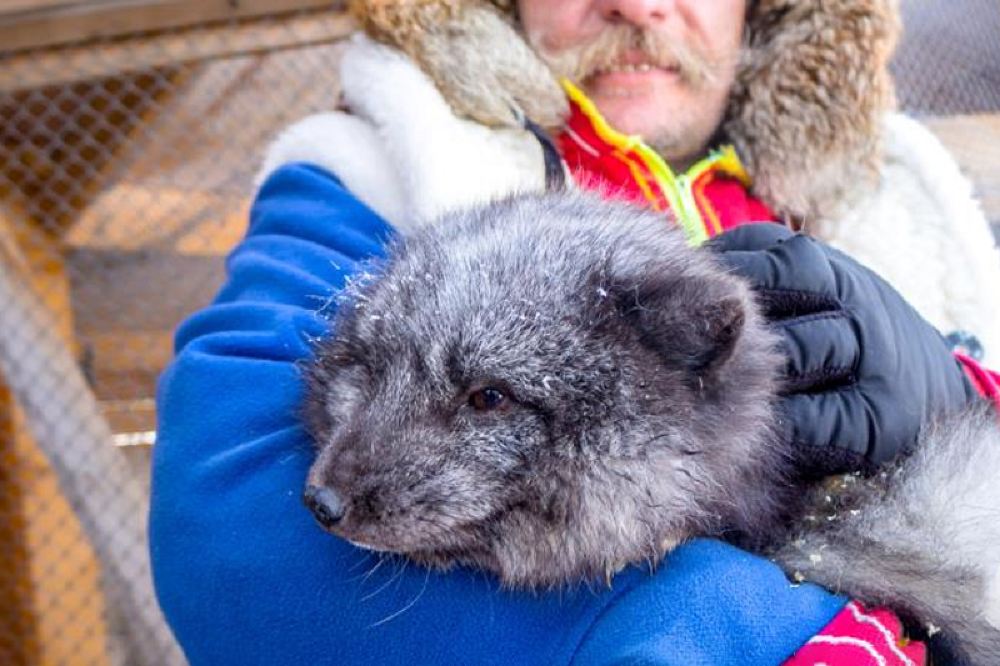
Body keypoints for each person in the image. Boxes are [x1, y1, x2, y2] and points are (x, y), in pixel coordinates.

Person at [149, 1, 1000, 664]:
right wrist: (759, 639)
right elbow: (233, 534)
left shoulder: (910, 202)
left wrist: (962, 405)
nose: (634, 6)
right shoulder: (371, 170)